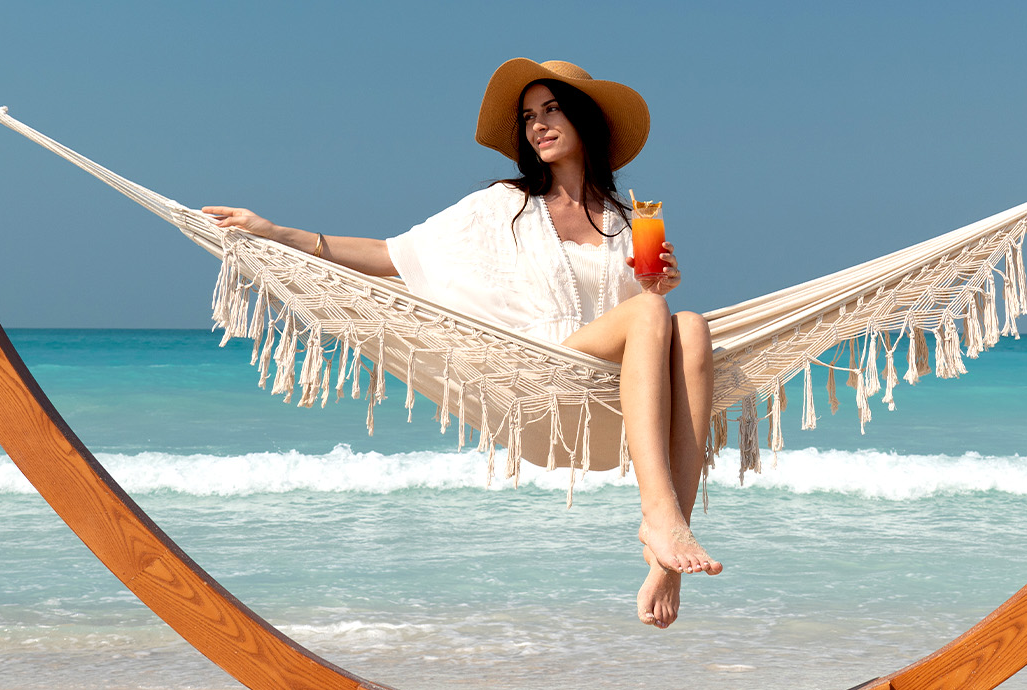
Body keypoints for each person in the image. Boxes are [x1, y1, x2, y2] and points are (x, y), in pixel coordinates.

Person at [203, 58, 721, 629]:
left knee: (690, 323)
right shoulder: (503, 206)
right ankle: (659, 515)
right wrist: (277, 233)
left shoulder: (625, 221)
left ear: (585, 120)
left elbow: (636, 317)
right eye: (528, 116)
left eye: (551, 110)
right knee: (655, 313)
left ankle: (667, 552)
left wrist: (655, 284)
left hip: (605, 385)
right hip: (535, 373)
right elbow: (391, 256)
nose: (537, 126)